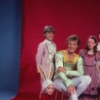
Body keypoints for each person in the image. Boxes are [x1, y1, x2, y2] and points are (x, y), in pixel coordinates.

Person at [54, 35, 91, 100]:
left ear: (77, 46)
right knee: (72, 92)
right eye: (70, 44)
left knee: (88, 78)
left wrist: (67, 72)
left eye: (74, 44)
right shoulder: (59, 54)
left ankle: (72, 98)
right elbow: (60, 71)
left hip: (71, 80)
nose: (72, 46)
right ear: (67, 44)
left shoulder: (78, 58)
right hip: (59, 80)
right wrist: (69, 85)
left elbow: (80, 73)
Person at [36, 25, 56, 97]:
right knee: (44, 83)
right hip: (45, 67)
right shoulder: (42, 44)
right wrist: (39, 68)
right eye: (49, 33)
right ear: (44, 34)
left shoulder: (54, 45)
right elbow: (38, 56)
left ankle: (48, 97)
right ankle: (42, 97)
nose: (51, 34)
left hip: (52, 67)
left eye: (52, 33)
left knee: (50, 84)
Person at [79, 36, 100, 100]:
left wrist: (99, 77)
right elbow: (80, 64)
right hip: (84, 72)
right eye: (89, 42)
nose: (90, 44)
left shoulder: (97, 54)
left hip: (93, 74)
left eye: (92, 42)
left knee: (91, 92)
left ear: (95, 44)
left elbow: (97, 66)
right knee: (83, 90)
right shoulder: (83, 52)